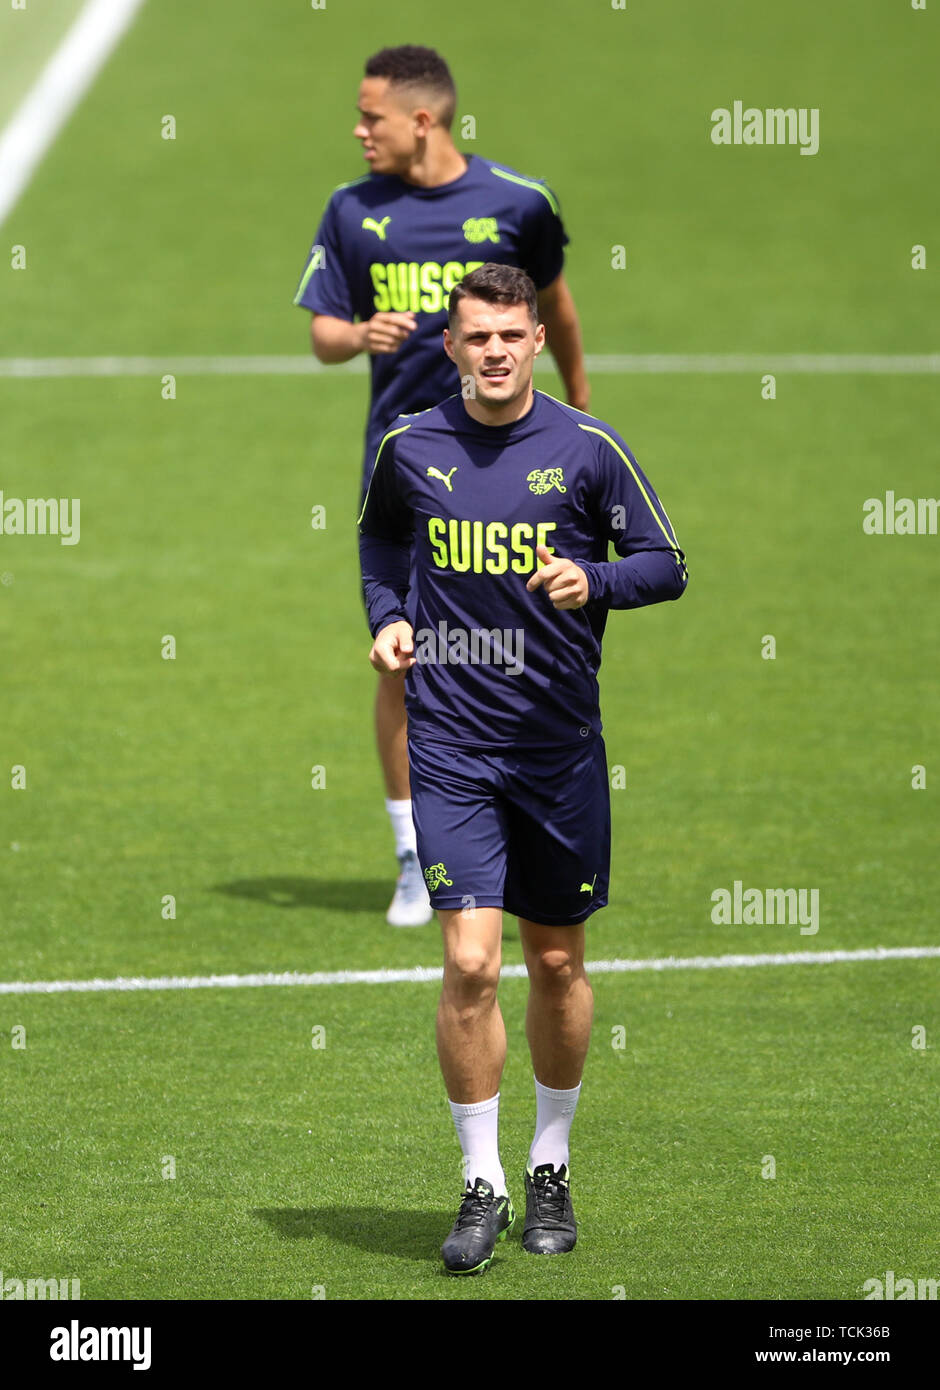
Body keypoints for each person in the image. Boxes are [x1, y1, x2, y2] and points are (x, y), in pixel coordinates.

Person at [358, 263, 688, 1274]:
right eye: (475, 337)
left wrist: (593, 576)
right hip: (452, 747)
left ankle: (550, 1164)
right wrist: (390, 618)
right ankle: (481, 1182)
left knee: (553, 963)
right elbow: (378, 541)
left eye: (511, 335)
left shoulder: (588, 449)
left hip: (556, 755)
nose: (494, 352)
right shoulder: (410, 445)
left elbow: (665, 563)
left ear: (535, 340)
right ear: (449, 346)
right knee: (467, 961)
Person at [293, 45, 589, 926]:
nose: (358, 130)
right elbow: (321, 336)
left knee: (537, 640)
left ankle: (525, 830)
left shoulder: (519, 202)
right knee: (407, 654)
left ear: (422, 120)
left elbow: (559, 309)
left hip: (519, 469)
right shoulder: (351, 210)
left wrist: (582, 416)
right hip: (410, 475)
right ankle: (417, 854)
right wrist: (360, 336)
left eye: (370, 115)